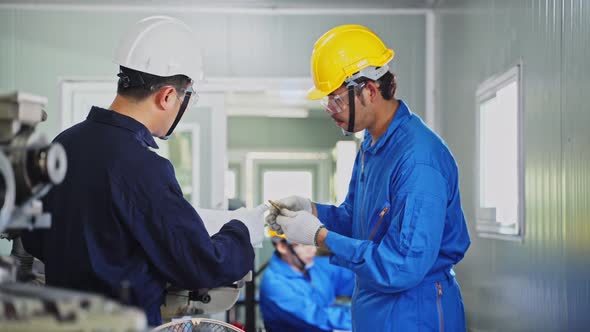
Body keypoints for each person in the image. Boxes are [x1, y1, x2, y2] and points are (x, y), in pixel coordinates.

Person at [21, 16, 265, 326]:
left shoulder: (63, 144)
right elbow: (201, 264)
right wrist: (241, 229)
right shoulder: (144, 166)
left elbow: (34, 241)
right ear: (167, 96)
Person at [266, 24, 471, 331]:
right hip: (377, 311)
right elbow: (357, 220)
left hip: (414, 315)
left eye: (336, 99)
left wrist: (319, 236)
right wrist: (311, 211)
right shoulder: (371, 146)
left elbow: (402, 266)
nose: (329, 109)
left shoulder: (418, 161)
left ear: (370, 91)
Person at [259, 230, 354, 332]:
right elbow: (317, 317)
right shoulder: (275, 284)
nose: (313, 250)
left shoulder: (316, 266)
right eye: (304, 245)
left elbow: (355, 278)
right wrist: (359, 319)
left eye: (313, 243)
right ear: (282, 247)